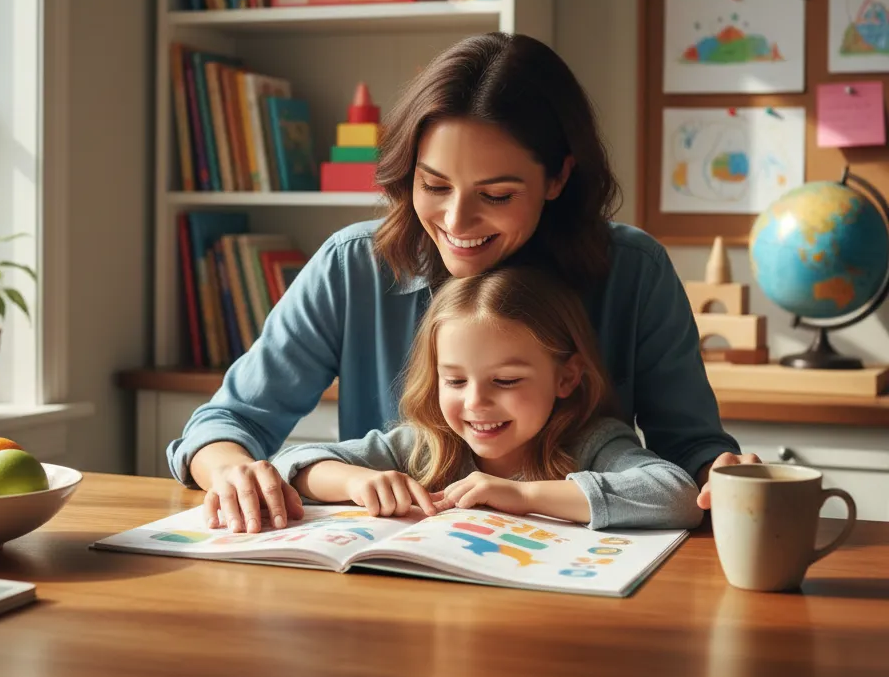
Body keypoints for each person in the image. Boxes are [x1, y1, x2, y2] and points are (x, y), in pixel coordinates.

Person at [166, 32, 756, 532]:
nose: (455, 223)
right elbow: (226, 425)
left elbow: (689, 454)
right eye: (434, 185)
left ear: (557, 178)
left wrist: (721, 474)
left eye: (496, 196)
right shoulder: (353, 265)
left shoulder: (633, 271)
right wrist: (234, 472)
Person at [252, 268, 703, 531]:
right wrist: (353, 482)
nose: (476, 403)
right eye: (454, 381)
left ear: (566, 378)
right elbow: (301, 462)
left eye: (505, 381)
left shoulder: (591, 443)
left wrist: (524, 496)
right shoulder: (424, 444)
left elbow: (677, 494)